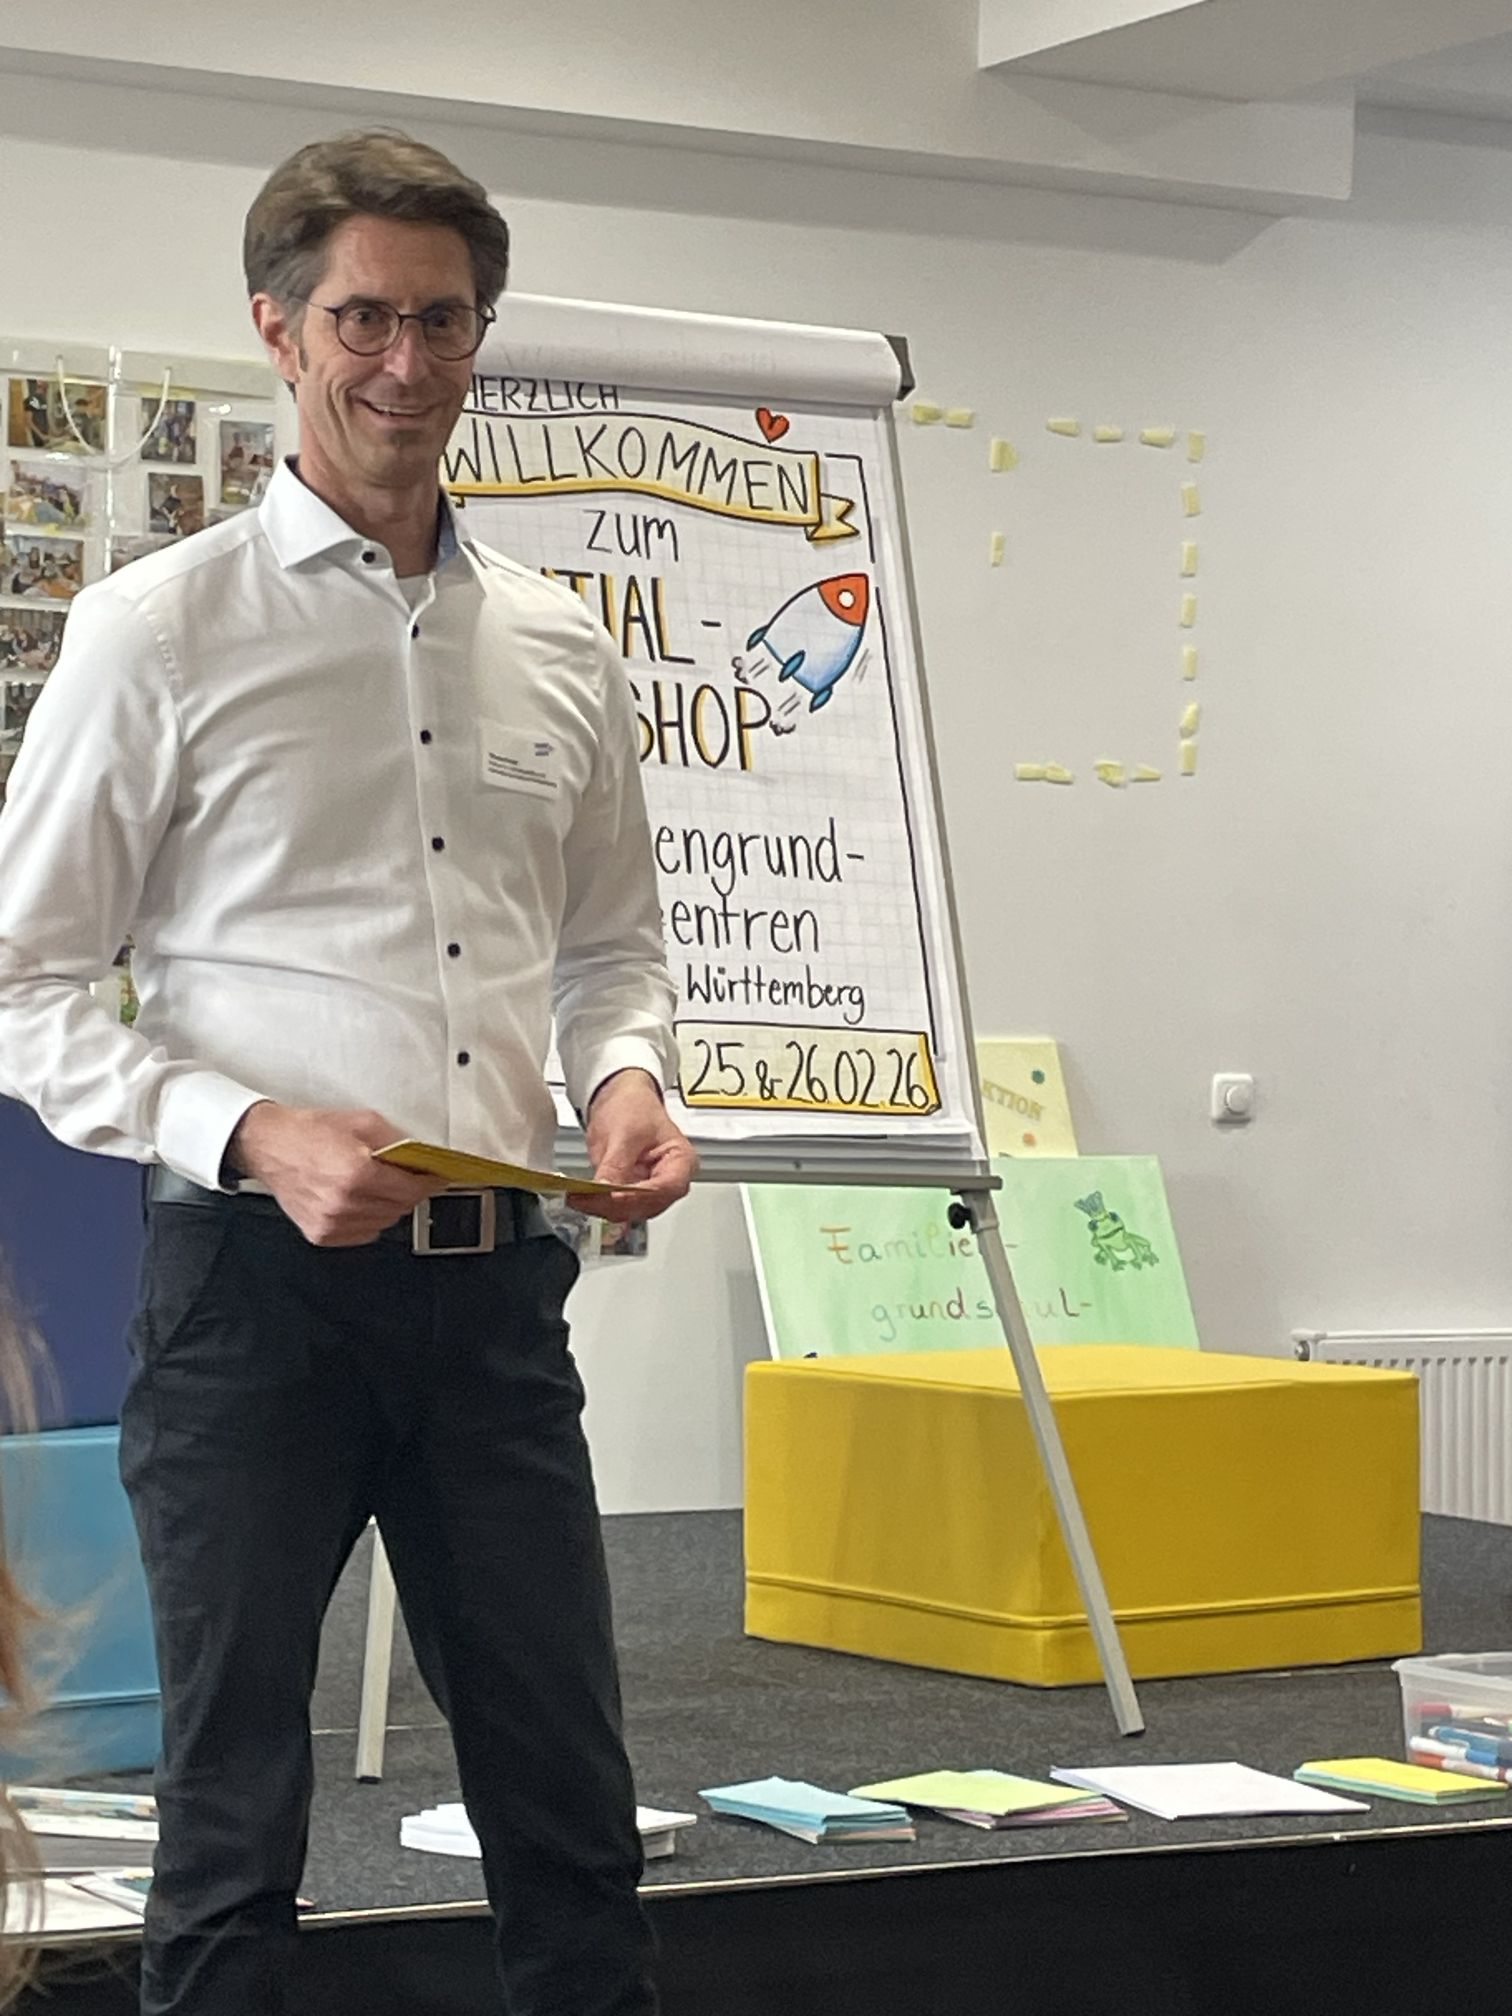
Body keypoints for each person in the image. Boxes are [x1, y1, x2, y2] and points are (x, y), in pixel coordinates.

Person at [0, 128, 697, 2015]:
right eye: (364, 319)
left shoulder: (560, 646)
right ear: (279, 329)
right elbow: (24, 984)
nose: (406, 362)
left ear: (481, 335)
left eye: (443, 321)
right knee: (232, 1820)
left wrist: (624, 1078)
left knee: (572, 1815)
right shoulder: (159, 630)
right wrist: (244, 1130)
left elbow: (611, 951)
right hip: (251, 1301)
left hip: (497, 1305)